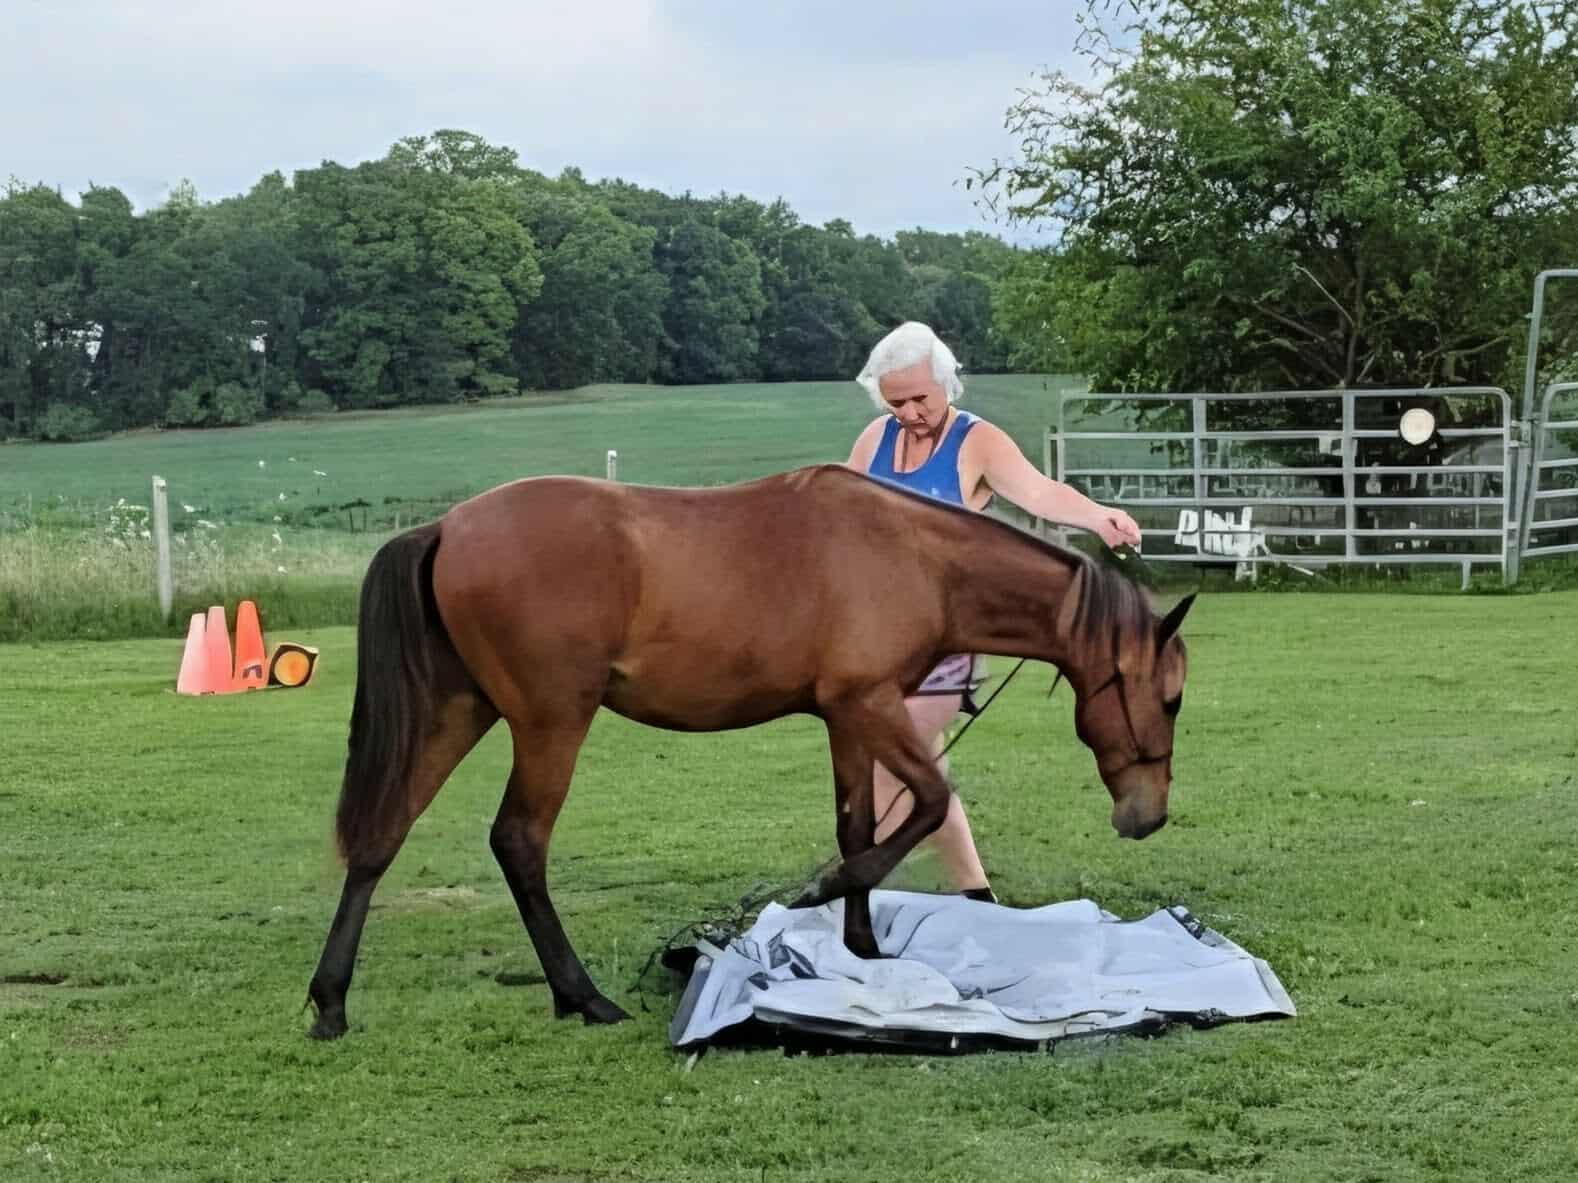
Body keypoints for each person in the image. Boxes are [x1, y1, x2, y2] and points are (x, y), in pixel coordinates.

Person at [844, 321, 1142, 903]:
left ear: (946, 385)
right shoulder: (874, 440)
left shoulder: (976, 441)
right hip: (873, 643)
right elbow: (836, 519)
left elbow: (1037, 492)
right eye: (896, 401)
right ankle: (975, 896)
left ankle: (859, 896)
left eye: (919, 399)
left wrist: (1096, 515)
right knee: (922, 766)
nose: (909, 412)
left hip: (944, 647)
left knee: (888, 758)